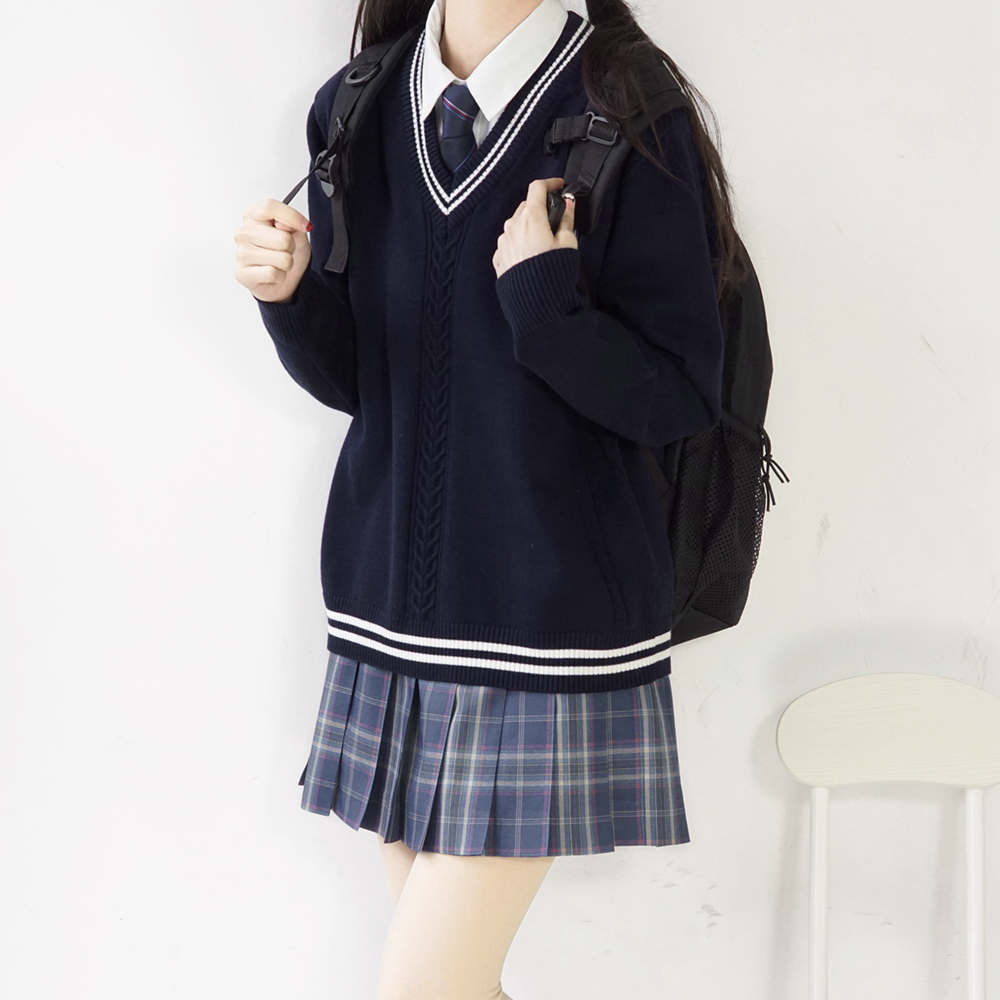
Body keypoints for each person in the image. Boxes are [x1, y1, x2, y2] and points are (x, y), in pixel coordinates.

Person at [233, 1, 743, 997]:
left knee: (424, 988)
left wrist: (546, 307)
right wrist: (287, 296)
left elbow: (681, 399)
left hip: (541, 631)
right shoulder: (357, 103)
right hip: (389, 627)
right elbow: (362, 381)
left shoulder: (628, 106)